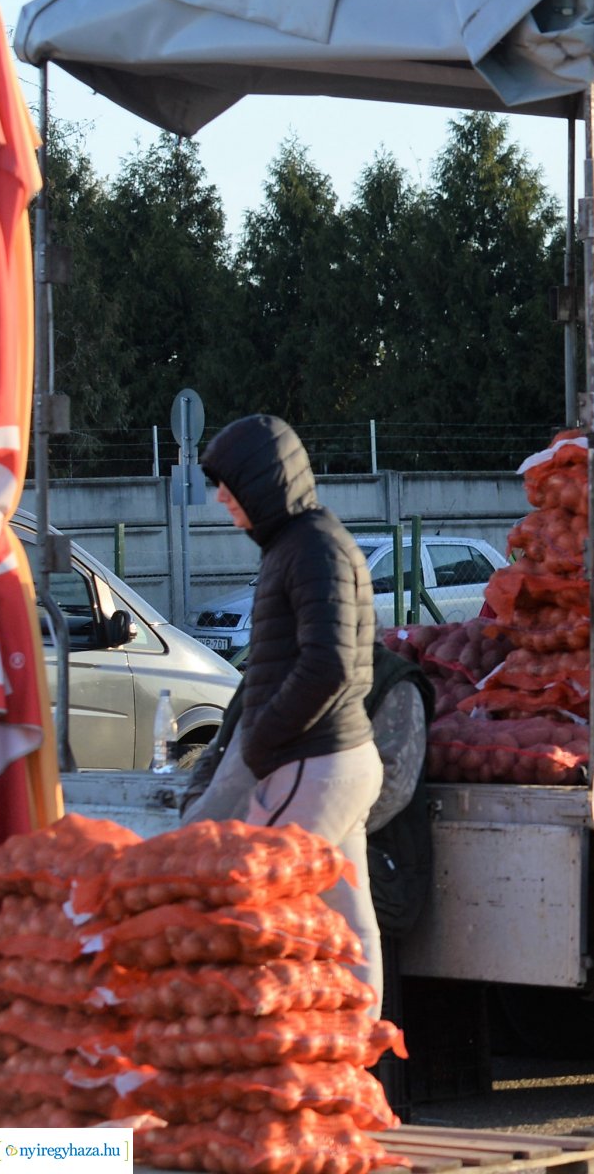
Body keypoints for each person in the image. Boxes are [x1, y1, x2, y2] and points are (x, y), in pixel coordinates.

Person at [183, 414, 384, 1014]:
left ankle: (267, 1063)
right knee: (351, 928)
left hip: (313, 761)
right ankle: (355, 1067)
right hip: (335, 760)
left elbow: (330, 667)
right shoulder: (299, 545)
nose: (220, 497)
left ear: (264, 482)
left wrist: (262, 740)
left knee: (255, 910)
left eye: (230, 483)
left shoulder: (311, 547)